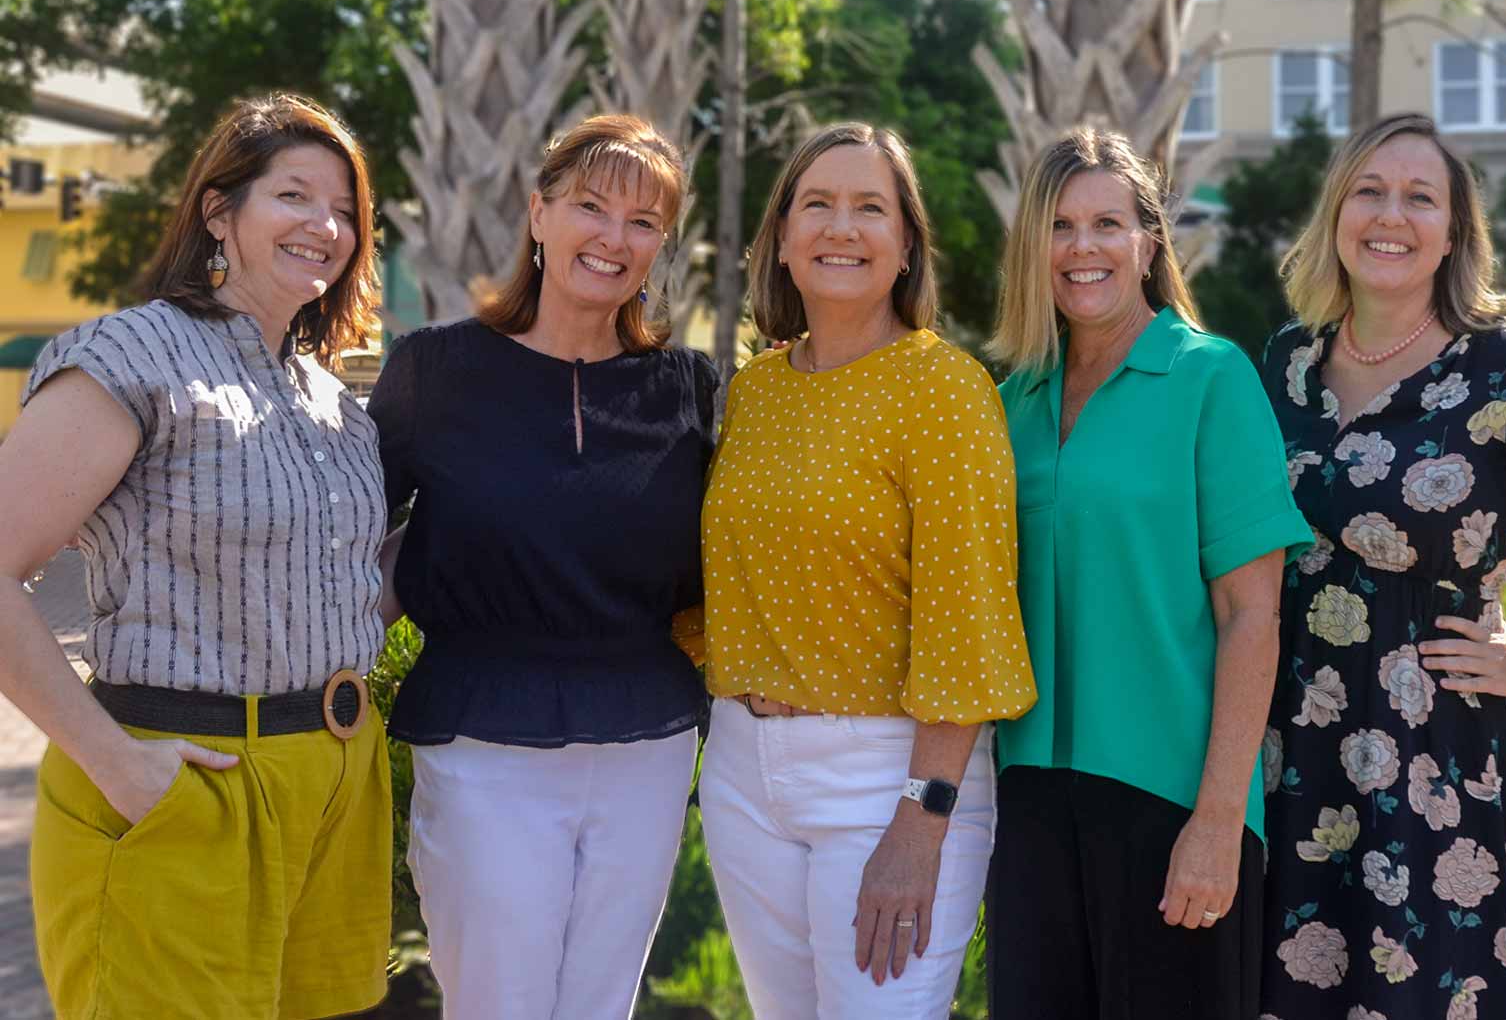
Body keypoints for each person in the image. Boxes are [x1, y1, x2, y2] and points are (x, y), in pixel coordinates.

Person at [0, 94, 390, 1019]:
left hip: (335, 784)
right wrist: (116, 765)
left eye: (345, 210)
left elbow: (341, 594)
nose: (325, 227)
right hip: (183, 781)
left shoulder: (335, 404)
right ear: (221, 212)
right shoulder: (134, 354)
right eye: (294, 196)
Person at [365, 114, 715, 1020]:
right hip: (481, 741)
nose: (613, 237)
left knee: (601, 1004)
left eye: (644, 222)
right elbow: (343, 539)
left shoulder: (690, 389)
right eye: (591, 206)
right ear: (538, 212)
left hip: (648, 741)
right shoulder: (433, 370)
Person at [1259, 112, 1506, 1018]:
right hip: (1286, 751)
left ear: (1454, 232)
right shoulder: (1285, 365)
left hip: (1436, 763)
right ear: (1337, 212)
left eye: (1420, 197)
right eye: (1369, 190)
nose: (1390, 214)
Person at [696, 122, 1037, 1019]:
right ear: (781, 238)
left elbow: (968, 614)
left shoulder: (945, 388)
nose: (840, 227)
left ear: (906, 245)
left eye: (869, 208)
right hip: (741, 769)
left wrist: (922, 819)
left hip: (888, 776)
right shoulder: (756, 391)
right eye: (817, 205)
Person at [981, 127, 1313, 1018]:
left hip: (1172, 805)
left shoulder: (1212, 377)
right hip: (1028, 806)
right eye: (1059, 226)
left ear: (1148, 241)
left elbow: (1253, 614)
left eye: (1107, 223)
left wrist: (1216, 820)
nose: (1082, 248)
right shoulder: (1008, 403)